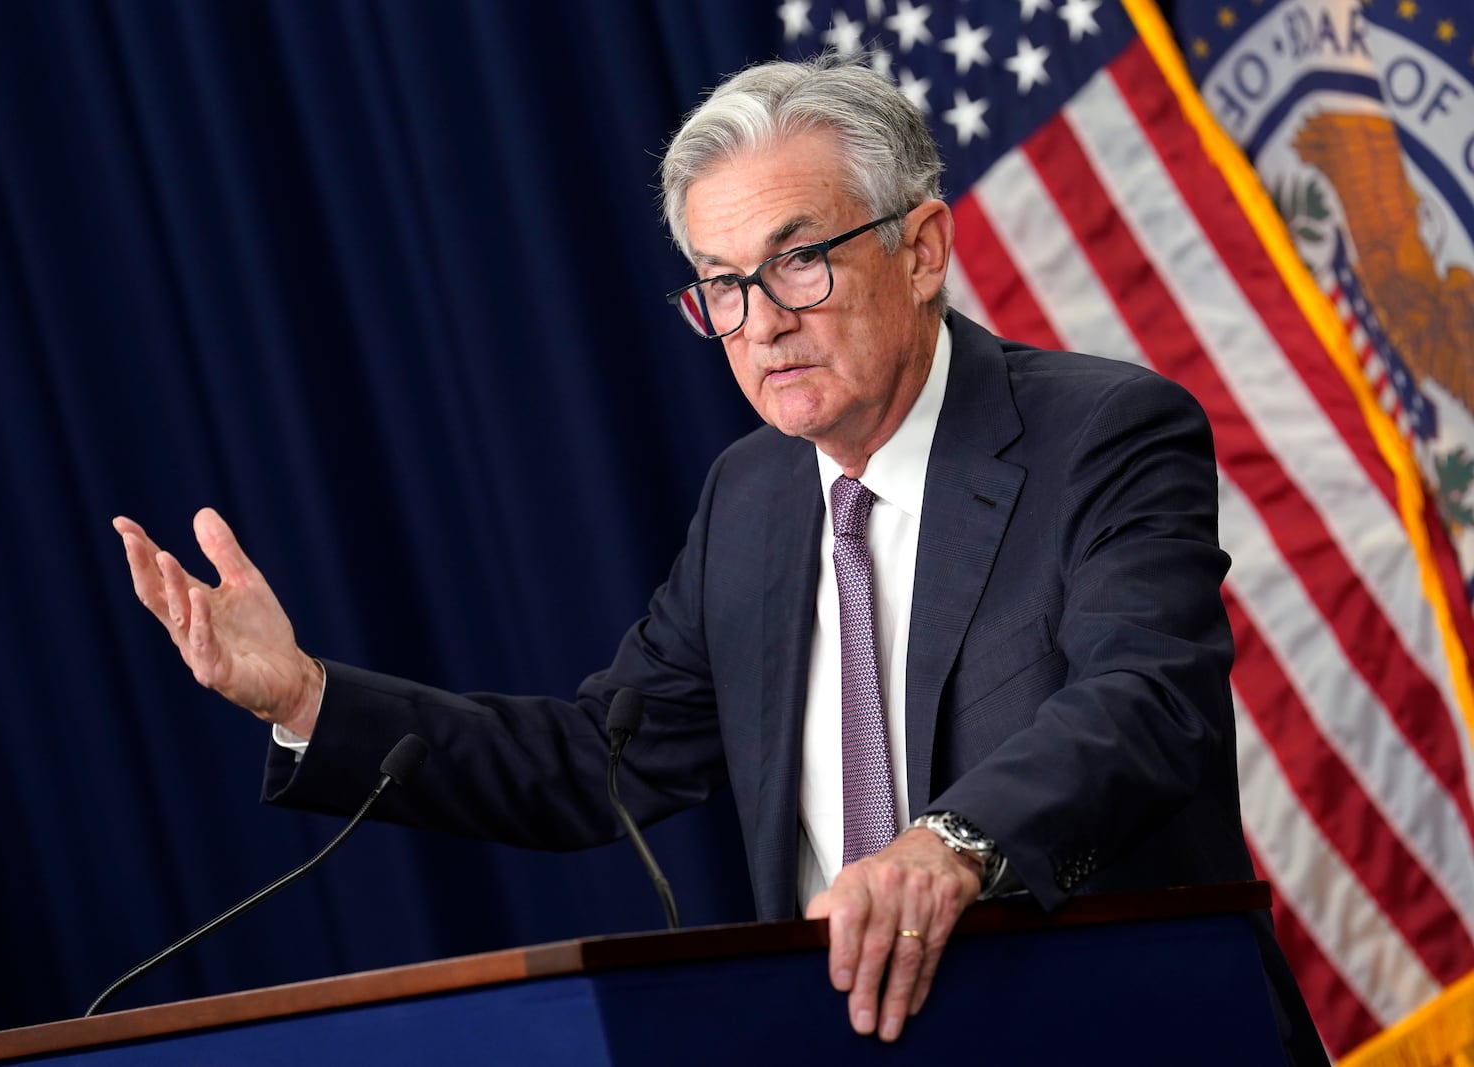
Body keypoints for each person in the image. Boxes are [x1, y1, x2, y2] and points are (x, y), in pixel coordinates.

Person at [115, 52, 1321, 1056]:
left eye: (799, 260)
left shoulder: (1102, 430)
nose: (763, 322)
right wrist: (306, 695)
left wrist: (946, 844)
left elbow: (1145, 699)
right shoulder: (751, 496)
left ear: (923, 248)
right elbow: (600, 755)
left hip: (1120, 1033)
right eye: (722, 286)